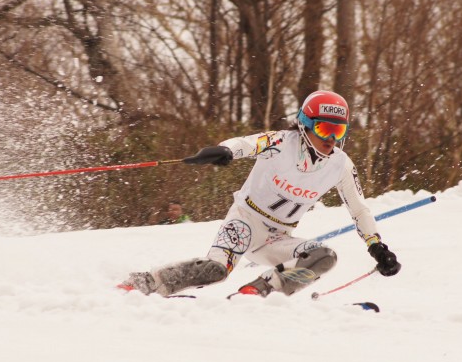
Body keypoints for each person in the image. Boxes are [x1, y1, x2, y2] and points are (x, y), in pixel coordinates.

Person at [120, 90, 401, 297]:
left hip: (278, 237)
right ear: (305, 124)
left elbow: (359, 209)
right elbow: (247, 143)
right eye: (325, 128)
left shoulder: (341, 164)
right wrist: (226, 150)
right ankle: (148, 281)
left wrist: (376, 246)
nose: (331, 139)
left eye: (338, 131)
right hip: (245, 222)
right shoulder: (281, 142)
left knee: (324, 256)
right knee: (216, 271)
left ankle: (255, 293)